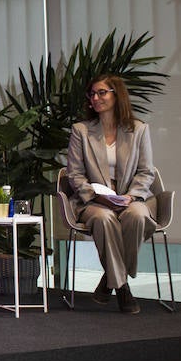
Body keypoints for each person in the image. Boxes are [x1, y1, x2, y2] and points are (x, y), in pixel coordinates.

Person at [65, 74, 157, 314]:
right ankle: (123, 288)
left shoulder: (138, 129)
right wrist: (96, 196)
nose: (96, 98)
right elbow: (74, 175)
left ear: (117, 95)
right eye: (92, 94)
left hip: (130, 198)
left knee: (137, 216)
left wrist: (132, 196)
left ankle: (110, 280)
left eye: (102, 92)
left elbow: (147, 172)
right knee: (104, 219)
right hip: (94, 200)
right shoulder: (81, 131)